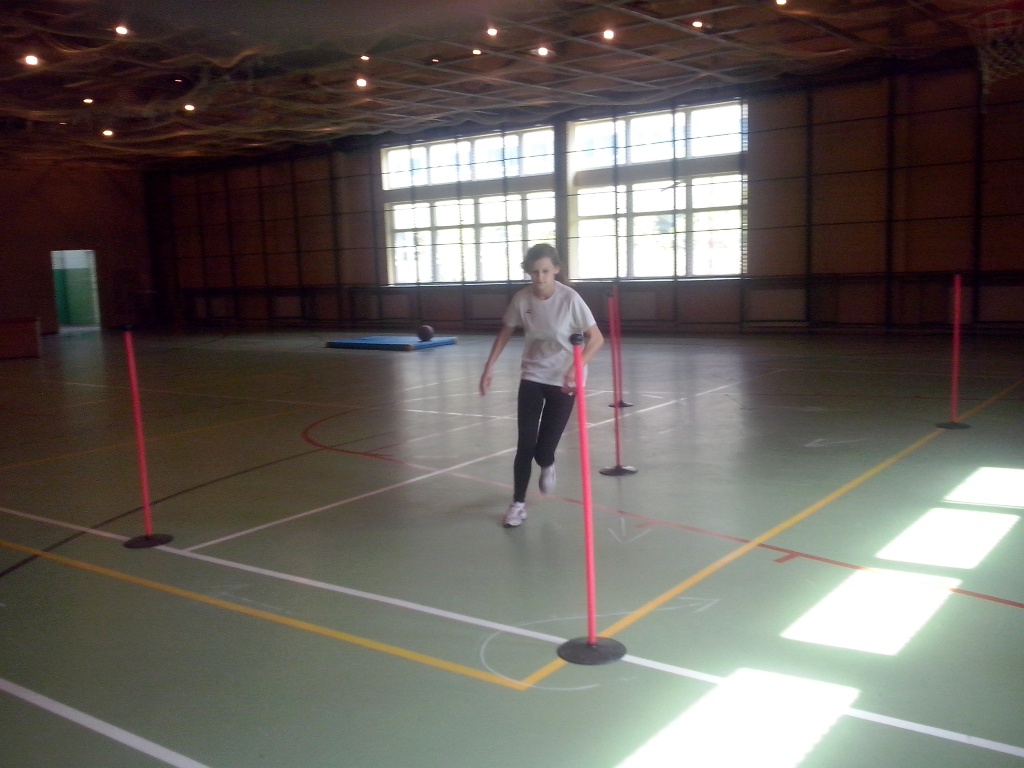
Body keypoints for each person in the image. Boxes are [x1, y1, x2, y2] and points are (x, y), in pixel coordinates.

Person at [479, 243, 604, 528]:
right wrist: (489, 366)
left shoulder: (570, 299)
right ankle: (518, 504)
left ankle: (547, 463)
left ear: (556, 270)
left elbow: (596, 338)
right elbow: (506, 331)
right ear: (528, 272)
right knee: (525, 443)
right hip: (533, 374)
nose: (540, 277)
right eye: (534, 272)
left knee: (543, 450)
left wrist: (576, 366)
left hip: (564, 379)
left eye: (545, 271)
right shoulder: (522, 299)